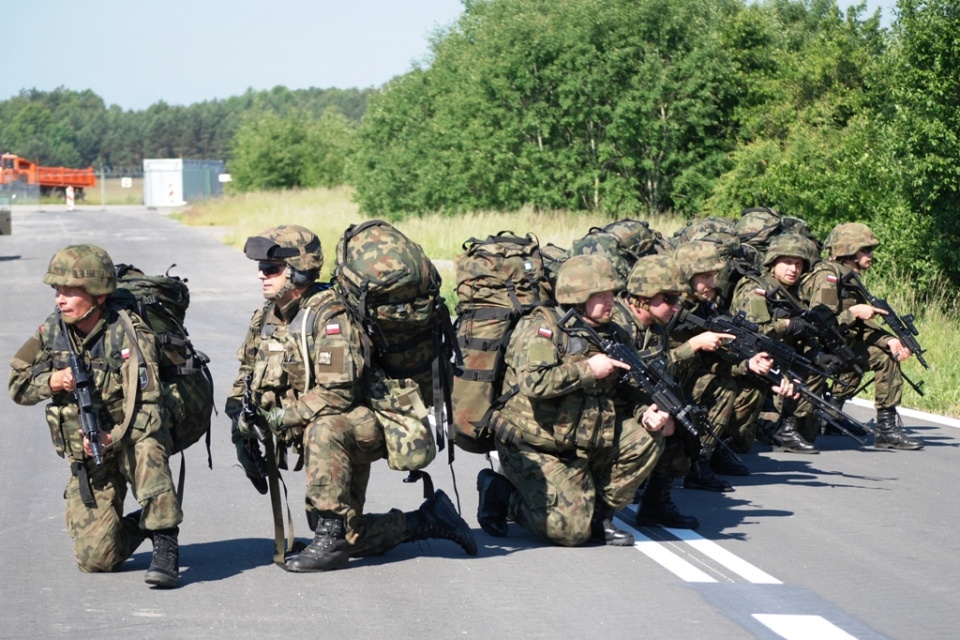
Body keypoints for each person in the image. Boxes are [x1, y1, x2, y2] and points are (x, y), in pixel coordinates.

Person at [225, 225, 476, 573]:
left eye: (272, 269)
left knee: (324, 429)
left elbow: (337, 394)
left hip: (362, 422)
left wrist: (281, 418)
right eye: (262, 269)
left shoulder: (330, 316)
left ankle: (329, 541)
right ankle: (429, 519)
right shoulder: (267, 316)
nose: (261, 276)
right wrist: (240, 421)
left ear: (298, 269)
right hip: (325, 425)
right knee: (353, 536)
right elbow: (247, 372)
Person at [8, 244, 183, 588]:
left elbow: (150, 410)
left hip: (129, 437)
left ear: (99, 295)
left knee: (148, 450)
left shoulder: (130, 333)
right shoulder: (52, 331)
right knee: (95, 560)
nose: (60, 299)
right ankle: (141, 525)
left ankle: (165, 541)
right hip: (90, 453)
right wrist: (52, 381)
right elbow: (17, 385)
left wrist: (112, 437)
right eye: (57, 291)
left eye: (70, 292)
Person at [476, 254, 671, 546]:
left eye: (611, 294)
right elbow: (534, 383)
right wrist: (587, 370)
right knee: (570, 532)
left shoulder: (614, 334)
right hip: (534, 444)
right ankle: (501, 493)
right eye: (600, 295)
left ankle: (599, 516)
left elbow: (631, 386)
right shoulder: (543, 328)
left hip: (582, 441)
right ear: (578, 297)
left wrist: (646, 412)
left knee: (647, 437)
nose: (610, 301)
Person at [800, 222, 923, 450]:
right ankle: (801, 418)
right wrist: (852, 313)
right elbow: (818, 324)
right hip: (816, 355)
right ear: (848, 250)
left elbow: (860, 327)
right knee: (800, 432)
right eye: (865, 250)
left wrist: (890, 340)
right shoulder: (828, 276)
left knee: (886, 355)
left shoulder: (851, 278)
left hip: (840, 349)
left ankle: (885, 430)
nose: (871, 255)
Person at [729, 234, 825, 453]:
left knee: (815, 370)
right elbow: (754, 332)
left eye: (798, 264)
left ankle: (787, 428)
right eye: (788, 262)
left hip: (776, 358)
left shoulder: (791, 293)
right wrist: (787, 325)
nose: (793, 269)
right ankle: (764, 423)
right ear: (773, 263)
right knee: (741, 443)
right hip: (747, 359)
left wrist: (816, 352)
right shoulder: (757, 289)